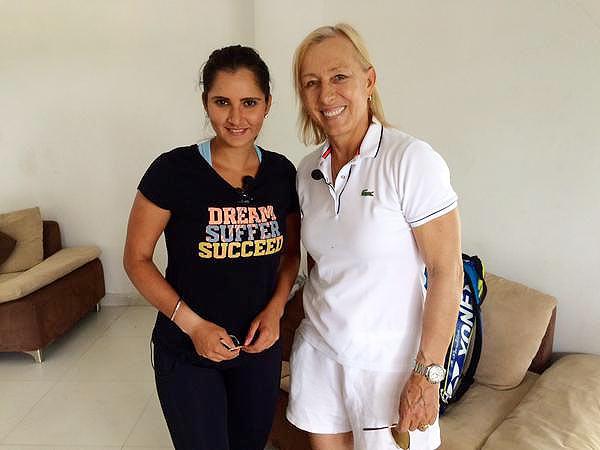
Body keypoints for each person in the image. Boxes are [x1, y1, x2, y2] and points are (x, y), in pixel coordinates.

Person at [286, 24, 463, 450]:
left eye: (339, 77)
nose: (326, 95)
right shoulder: (307, 171)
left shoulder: (410, 159)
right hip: (320, 353)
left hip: (388, 367)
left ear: (369, 80)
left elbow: (446, 271)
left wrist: (427, 373)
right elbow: (319, 265)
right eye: (311, 83)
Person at [123, 45, 300, 450]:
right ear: (206, 102)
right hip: (186, 351)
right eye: (222, 102)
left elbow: (290, 254)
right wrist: (194, 325)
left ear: (268, 104)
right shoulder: (173, 170)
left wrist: (275, 313)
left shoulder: (281, 173)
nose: (237, 118)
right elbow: (136, 259)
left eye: (249, 103)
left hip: (259, 351)